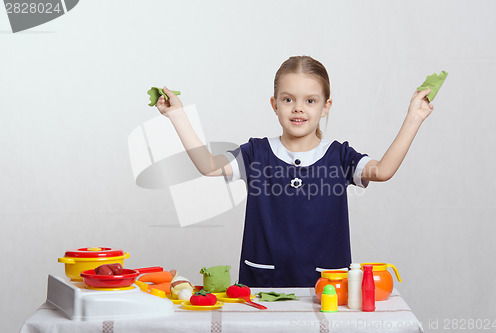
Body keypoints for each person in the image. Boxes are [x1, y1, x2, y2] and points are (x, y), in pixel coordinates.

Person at [156, 55, 433, 287]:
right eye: (288, 100)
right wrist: (177, 116)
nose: (298, 108)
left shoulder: (339, 155)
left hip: (327, 289)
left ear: (326, 107)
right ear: (274, 104)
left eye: (310, 101)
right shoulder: (256, 152)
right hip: (263, 287)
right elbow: (209, 166)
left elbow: (382, 171)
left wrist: (414, 118)